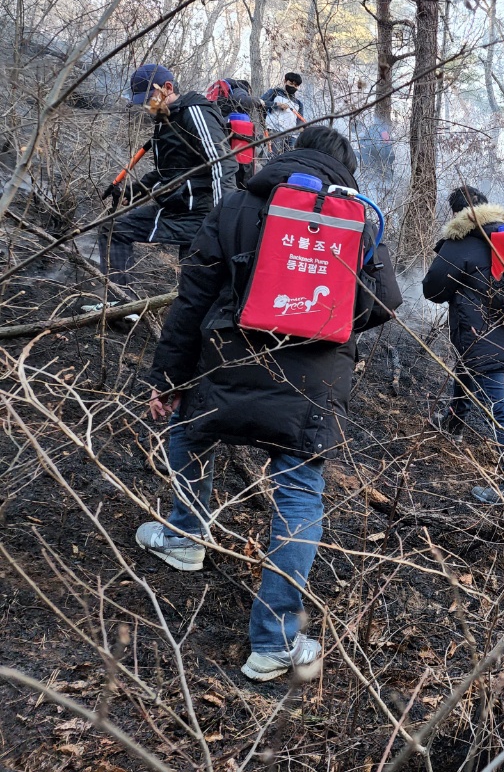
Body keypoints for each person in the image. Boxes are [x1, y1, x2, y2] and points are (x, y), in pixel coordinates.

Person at [135, 126, 402, 682]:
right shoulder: (357, 218)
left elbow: (194, 296)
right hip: (313, 380)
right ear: (346, 167)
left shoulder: (237, 203)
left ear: (290, 153)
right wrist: (326, 321)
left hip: (229, 358)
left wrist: (167, 377)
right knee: (300, 494)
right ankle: (274, 644)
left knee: (190, 430)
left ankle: (185, 537)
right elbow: (386, 301)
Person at [423, 186, 504, 505]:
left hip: (480, 337)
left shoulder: (463, 242)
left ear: (458, 214)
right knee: (466, 371)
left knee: (498, 410)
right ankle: (452, 421)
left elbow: (432, 289)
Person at [98, 64, 236, 298]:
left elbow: (223, 164)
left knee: (195, 286)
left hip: (200, 213)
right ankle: (119, 303)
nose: (147, 106)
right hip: (176, 206)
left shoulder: (195, 113)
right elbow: (171, 170)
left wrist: (223, 218)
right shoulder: (165, 119)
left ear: (167, 88)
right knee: (113, 230)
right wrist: (134, 190)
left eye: (150, 99)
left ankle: (121, 304)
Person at [261, 71, 305, 153]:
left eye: (296, 85)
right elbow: (260, 103)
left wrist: (303, 128)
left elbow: (300, 121)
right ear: (285, 81)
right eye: (291, 83)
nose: (293, 86)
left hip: (292, 135)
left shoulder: (298, 103)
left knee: (289, 160)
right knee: (273, 157)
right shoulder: (275, 92)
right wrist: (276, 105)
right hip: (275, 131)